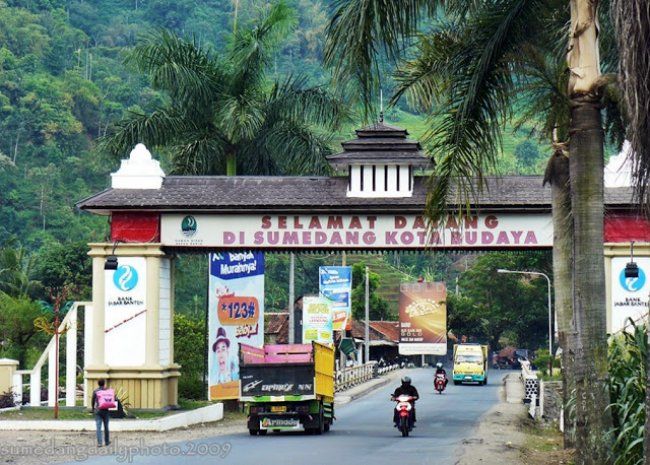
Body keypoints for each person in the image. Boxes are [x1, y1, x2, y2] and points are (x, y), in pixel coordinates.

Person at [91, 379, 111, 447]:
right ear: (104, 383)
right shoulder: (107, 390)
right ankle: (107, 442)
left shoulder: (96, 391)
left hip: (98, 410)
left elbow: (93, 401)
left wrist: (93, 408)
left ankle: (99, 443)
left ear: (98, 383)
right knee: (106, 427)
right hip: (106, 410)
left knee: (98, 427)